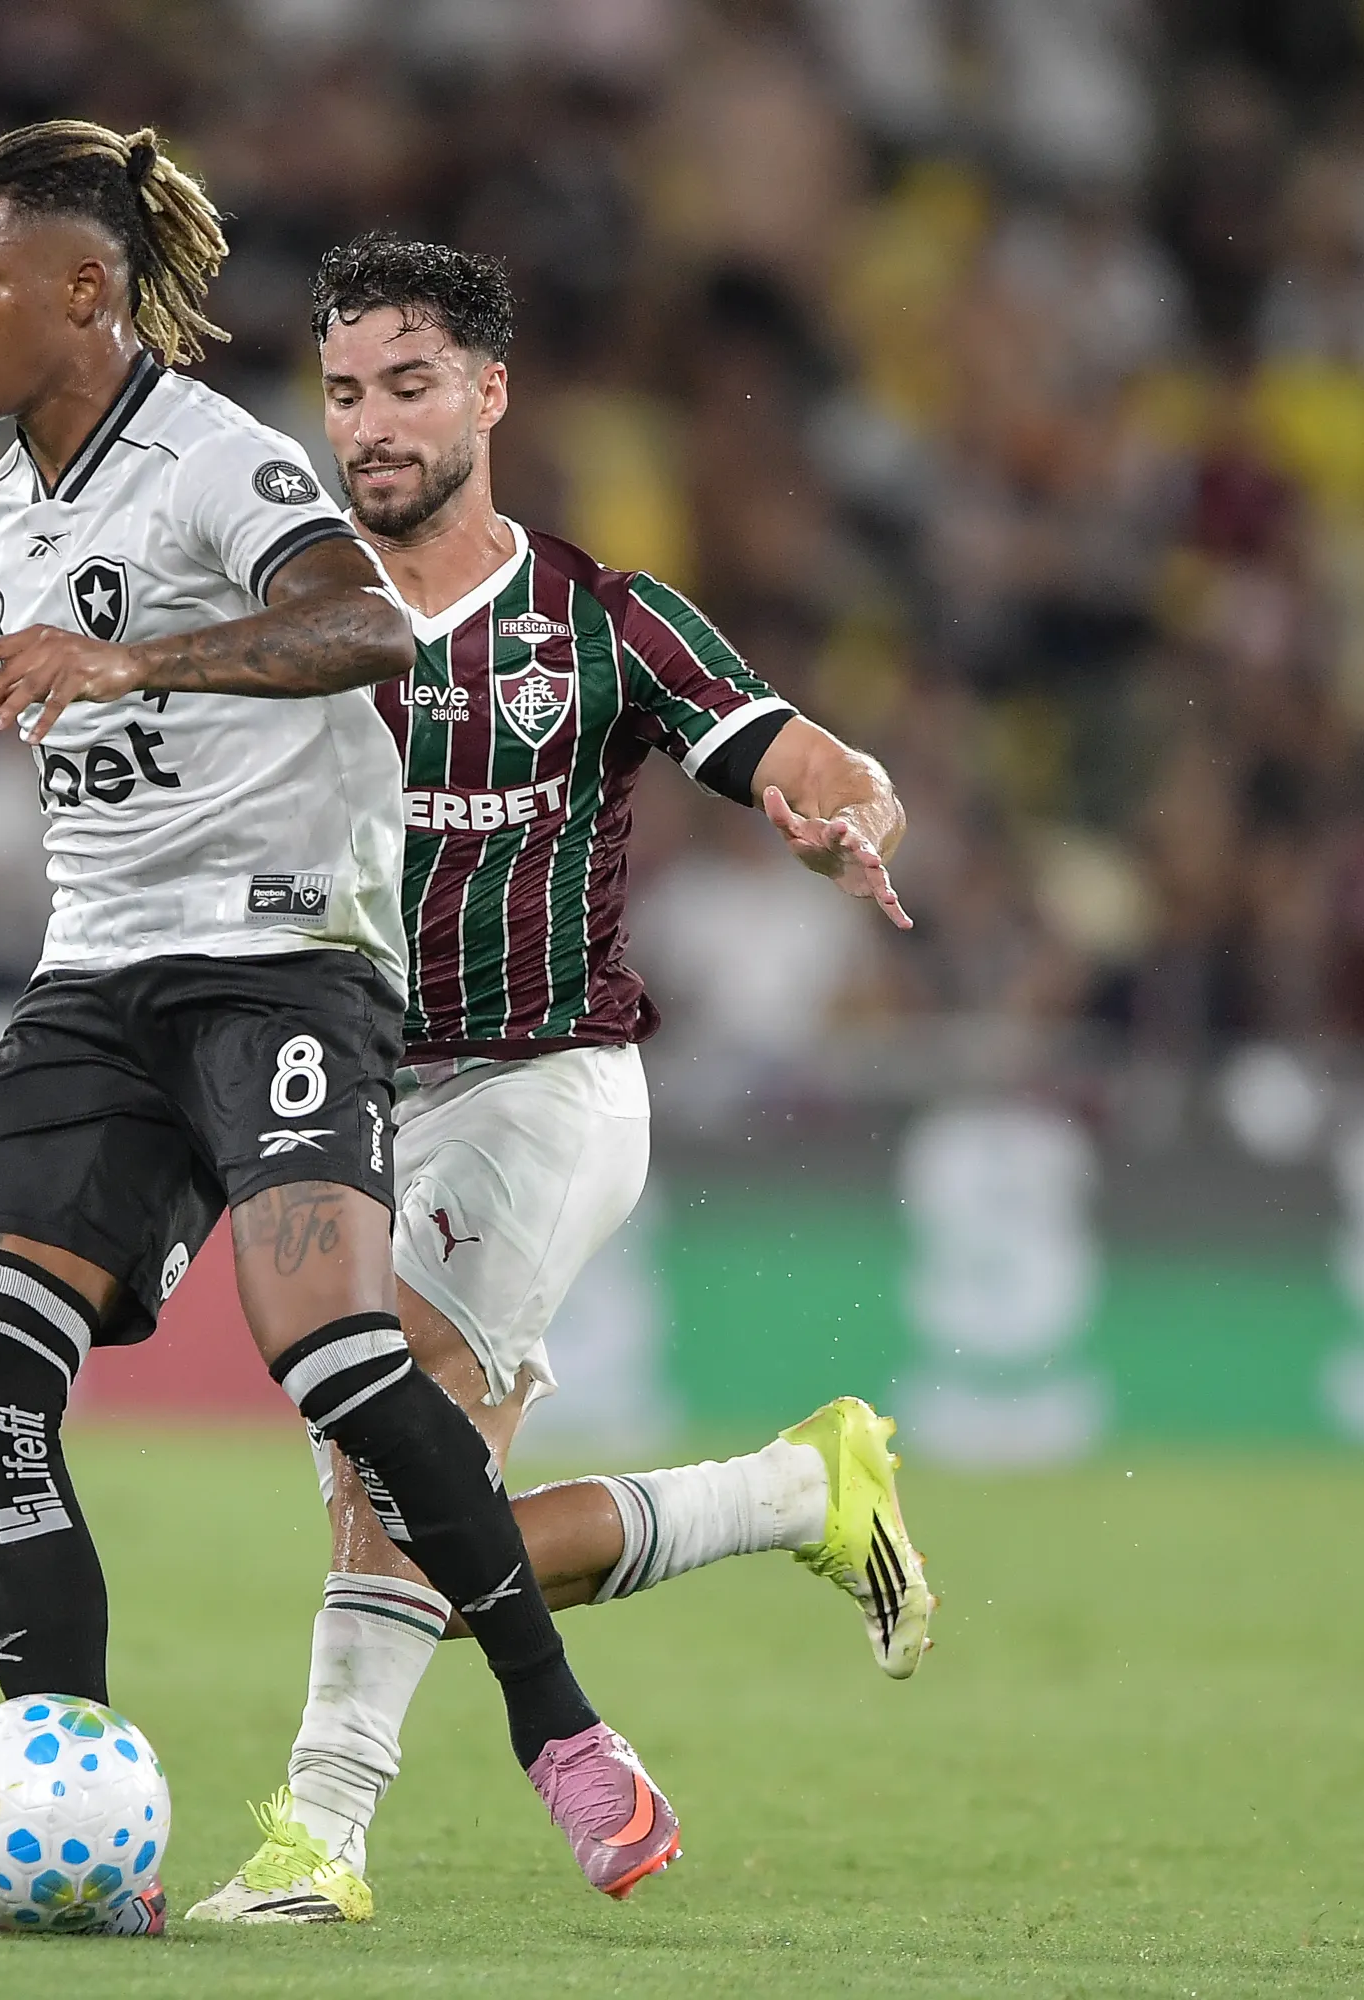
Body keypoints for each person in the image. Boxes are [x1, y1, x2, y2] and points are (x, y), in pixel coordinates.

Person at [0, 129, 684, 1937]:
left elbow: (363, 626)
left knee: (330, 1355)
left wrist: (138, 660)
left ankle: (563, 1731)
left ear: (82, 291)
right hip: (96, 981)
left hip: (281, 966)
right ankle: (73, 1837)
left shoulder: (218, 459)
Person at [188, 235, 935, 1927]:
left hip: (549, 1083)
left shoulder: (600, 622)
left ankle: (320, 1843)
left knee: (403, 1447)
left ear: (491, 392)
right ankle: (789, 1493)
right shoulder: (290, 622)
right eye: (346, 393)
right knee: (441, 1541)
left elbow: (812, 755)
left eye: (410, 385)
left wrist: (848, 821)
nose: (371, 425)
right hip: (356, 1099)